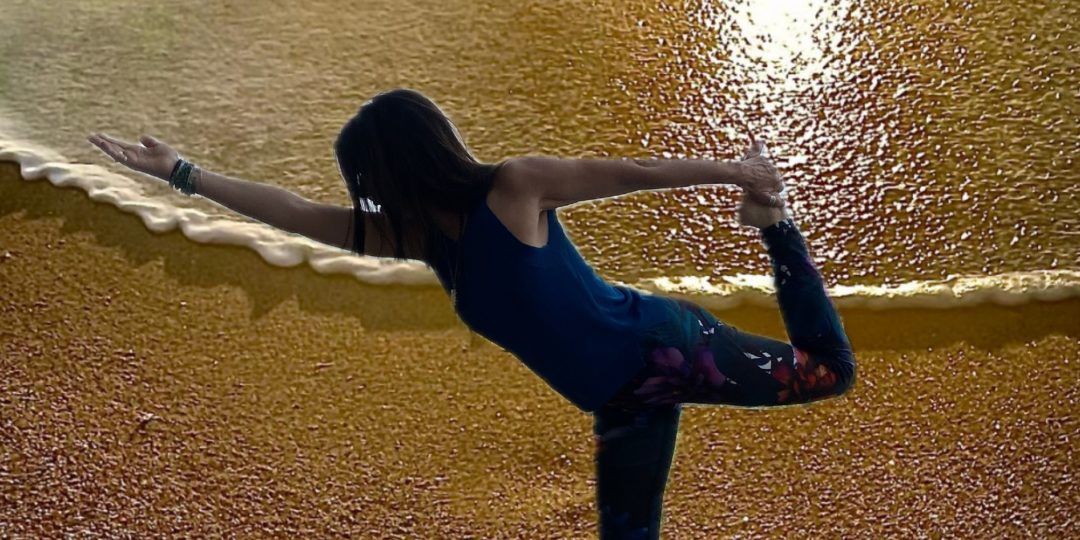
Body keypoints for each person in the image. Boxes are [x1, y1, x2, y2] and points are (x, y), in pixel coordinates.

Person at [88, 87, 856, 539]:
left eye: (367, 177)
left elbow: (632, 173)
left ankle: (776, 230)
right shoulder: (417, 240)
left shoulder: (515, 188)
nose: (364, 194)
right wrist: (180, 173)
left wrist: (741, 176)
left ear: (399, 164)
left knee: (830, 374)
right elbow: (290, 211)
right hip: (623, 401)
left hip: (670, 347)